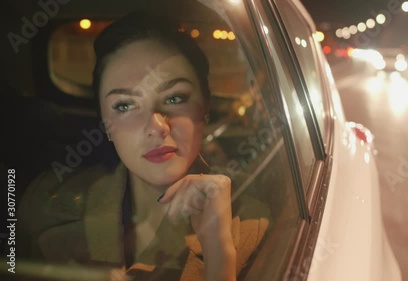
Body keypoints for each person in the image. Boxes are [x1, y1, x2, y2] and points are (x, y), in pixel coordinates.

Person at [17, 10, 270, 281]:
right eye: (124, 106)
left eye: (175, 98)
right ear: (106, 124)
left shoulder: (249, 222)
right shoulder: (48, 205)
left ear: (204, 108)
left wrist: (220, 255)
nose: (156, 127)